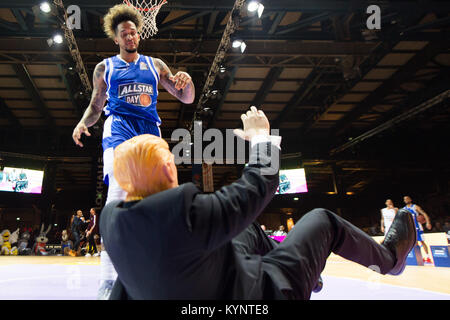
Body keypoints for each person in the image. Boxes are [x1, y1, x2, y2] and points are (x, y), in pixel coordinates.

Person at [100, 107, 417, 300]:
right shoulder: (184, 212)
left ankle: (307, 269)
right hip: (260, 296)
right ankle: (390, 259)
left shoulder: (112, 222)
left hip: (200, 283)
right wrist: (261, 138)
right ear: (169, 168)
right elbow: (257, 186)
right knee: (323, 221)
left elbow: (126, 284)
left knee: (246, 230)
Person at [71, 4, 195, 299]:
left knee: (161, 201)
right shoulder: (105, 67)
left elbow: (186, 98)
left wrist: (187, 83)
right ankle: (107, 281)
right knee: (117, 195)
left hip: (149, 133)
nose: (130, 37)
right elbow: (96, 105)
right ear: (115, 38)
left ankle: (161, 272)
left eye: (134, 32)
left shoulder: (156, 65)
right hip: (119, 132)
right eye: (124, 34)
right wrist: (81, 123)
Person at [403, 196, 433, 263]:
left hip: (418, 227)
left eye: (407, 198)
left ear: (410, 199)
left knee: (422, 241)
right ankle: (419, 258)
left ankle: (428, 257)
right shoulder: (404, 209)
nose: (406, 200)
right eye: (405, 199)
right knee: (414, 243)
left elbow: (424, 214)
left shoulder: (415, 206)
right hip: (410, 228)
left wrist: (428, 222)